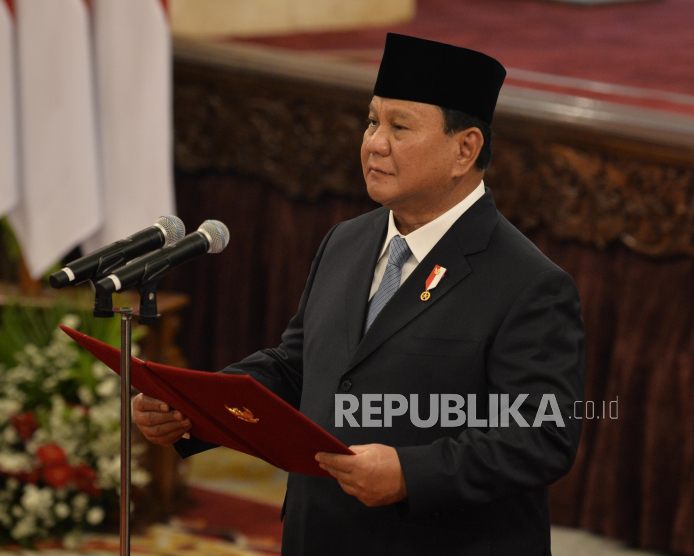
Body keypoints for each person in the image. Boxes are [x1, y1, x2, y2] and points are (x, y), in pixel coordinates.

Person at [133, 33, 585, 555]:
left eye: (400, 127)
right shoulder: (347, 240)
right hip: (319, 533)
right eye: (372, 121)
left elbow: (539, 436)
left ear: (465, 149)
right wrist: (195, 409)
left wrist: (409, 473)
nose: (374, 143)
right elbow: (298, 367)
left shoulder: (529, 284)